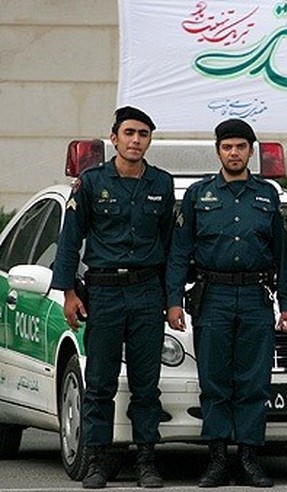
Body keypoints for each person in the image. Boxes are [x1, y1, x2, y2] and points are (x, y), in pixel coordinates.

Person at [165, 119, 287, 487]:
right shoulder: (198, 194)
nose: (234, 153)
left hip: (255, 297)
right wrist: (174, 301)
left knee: (254, 382)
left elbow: (283, 256)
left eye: (240, 147)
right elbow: (179, 253)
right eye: (227, 147)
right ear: (218, 151)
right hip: (213, 297)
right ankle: (218, 460)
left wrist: (286, 305)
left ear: (250, 151)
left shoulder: (268, 195)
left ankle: (250, 459)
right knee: (215, 382)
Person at [51, 106, 174, 489]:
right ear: (114, 137)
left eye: (143, 134)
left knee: (145, 383)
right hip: (103, 292)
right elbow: (71, 241)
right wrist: (69, 292)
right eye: (130, 133)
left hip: (146, 292)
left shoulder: (162, 184)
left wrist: (171, 300)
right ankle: (99, 461)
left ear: (149, 140)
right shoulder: (90, 183)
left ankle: (146, 460)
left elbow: (170, 246)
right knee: (100, 382)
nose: (136, 140)